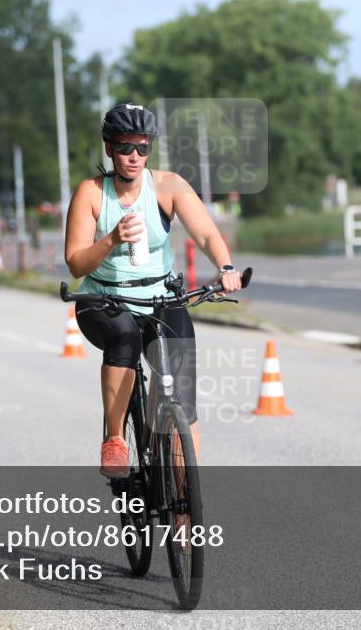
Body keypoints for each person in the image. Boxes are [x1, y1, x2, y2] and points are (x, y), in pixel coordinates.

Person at [64, 103, 242, 478]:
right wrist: (111, 239)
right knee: (125, 339)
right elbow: (77, 263)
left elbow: (207, 233)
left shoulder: (168, 186)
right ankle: (114, 439)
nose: (134, 157)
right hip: (105, 299)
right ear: (109, 148)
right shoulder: (92, 193)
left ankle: (184, 506)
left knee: (183, 395)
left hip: (159, 295)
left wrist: (225, 267)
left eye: (142, 148)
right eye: (126, 148)